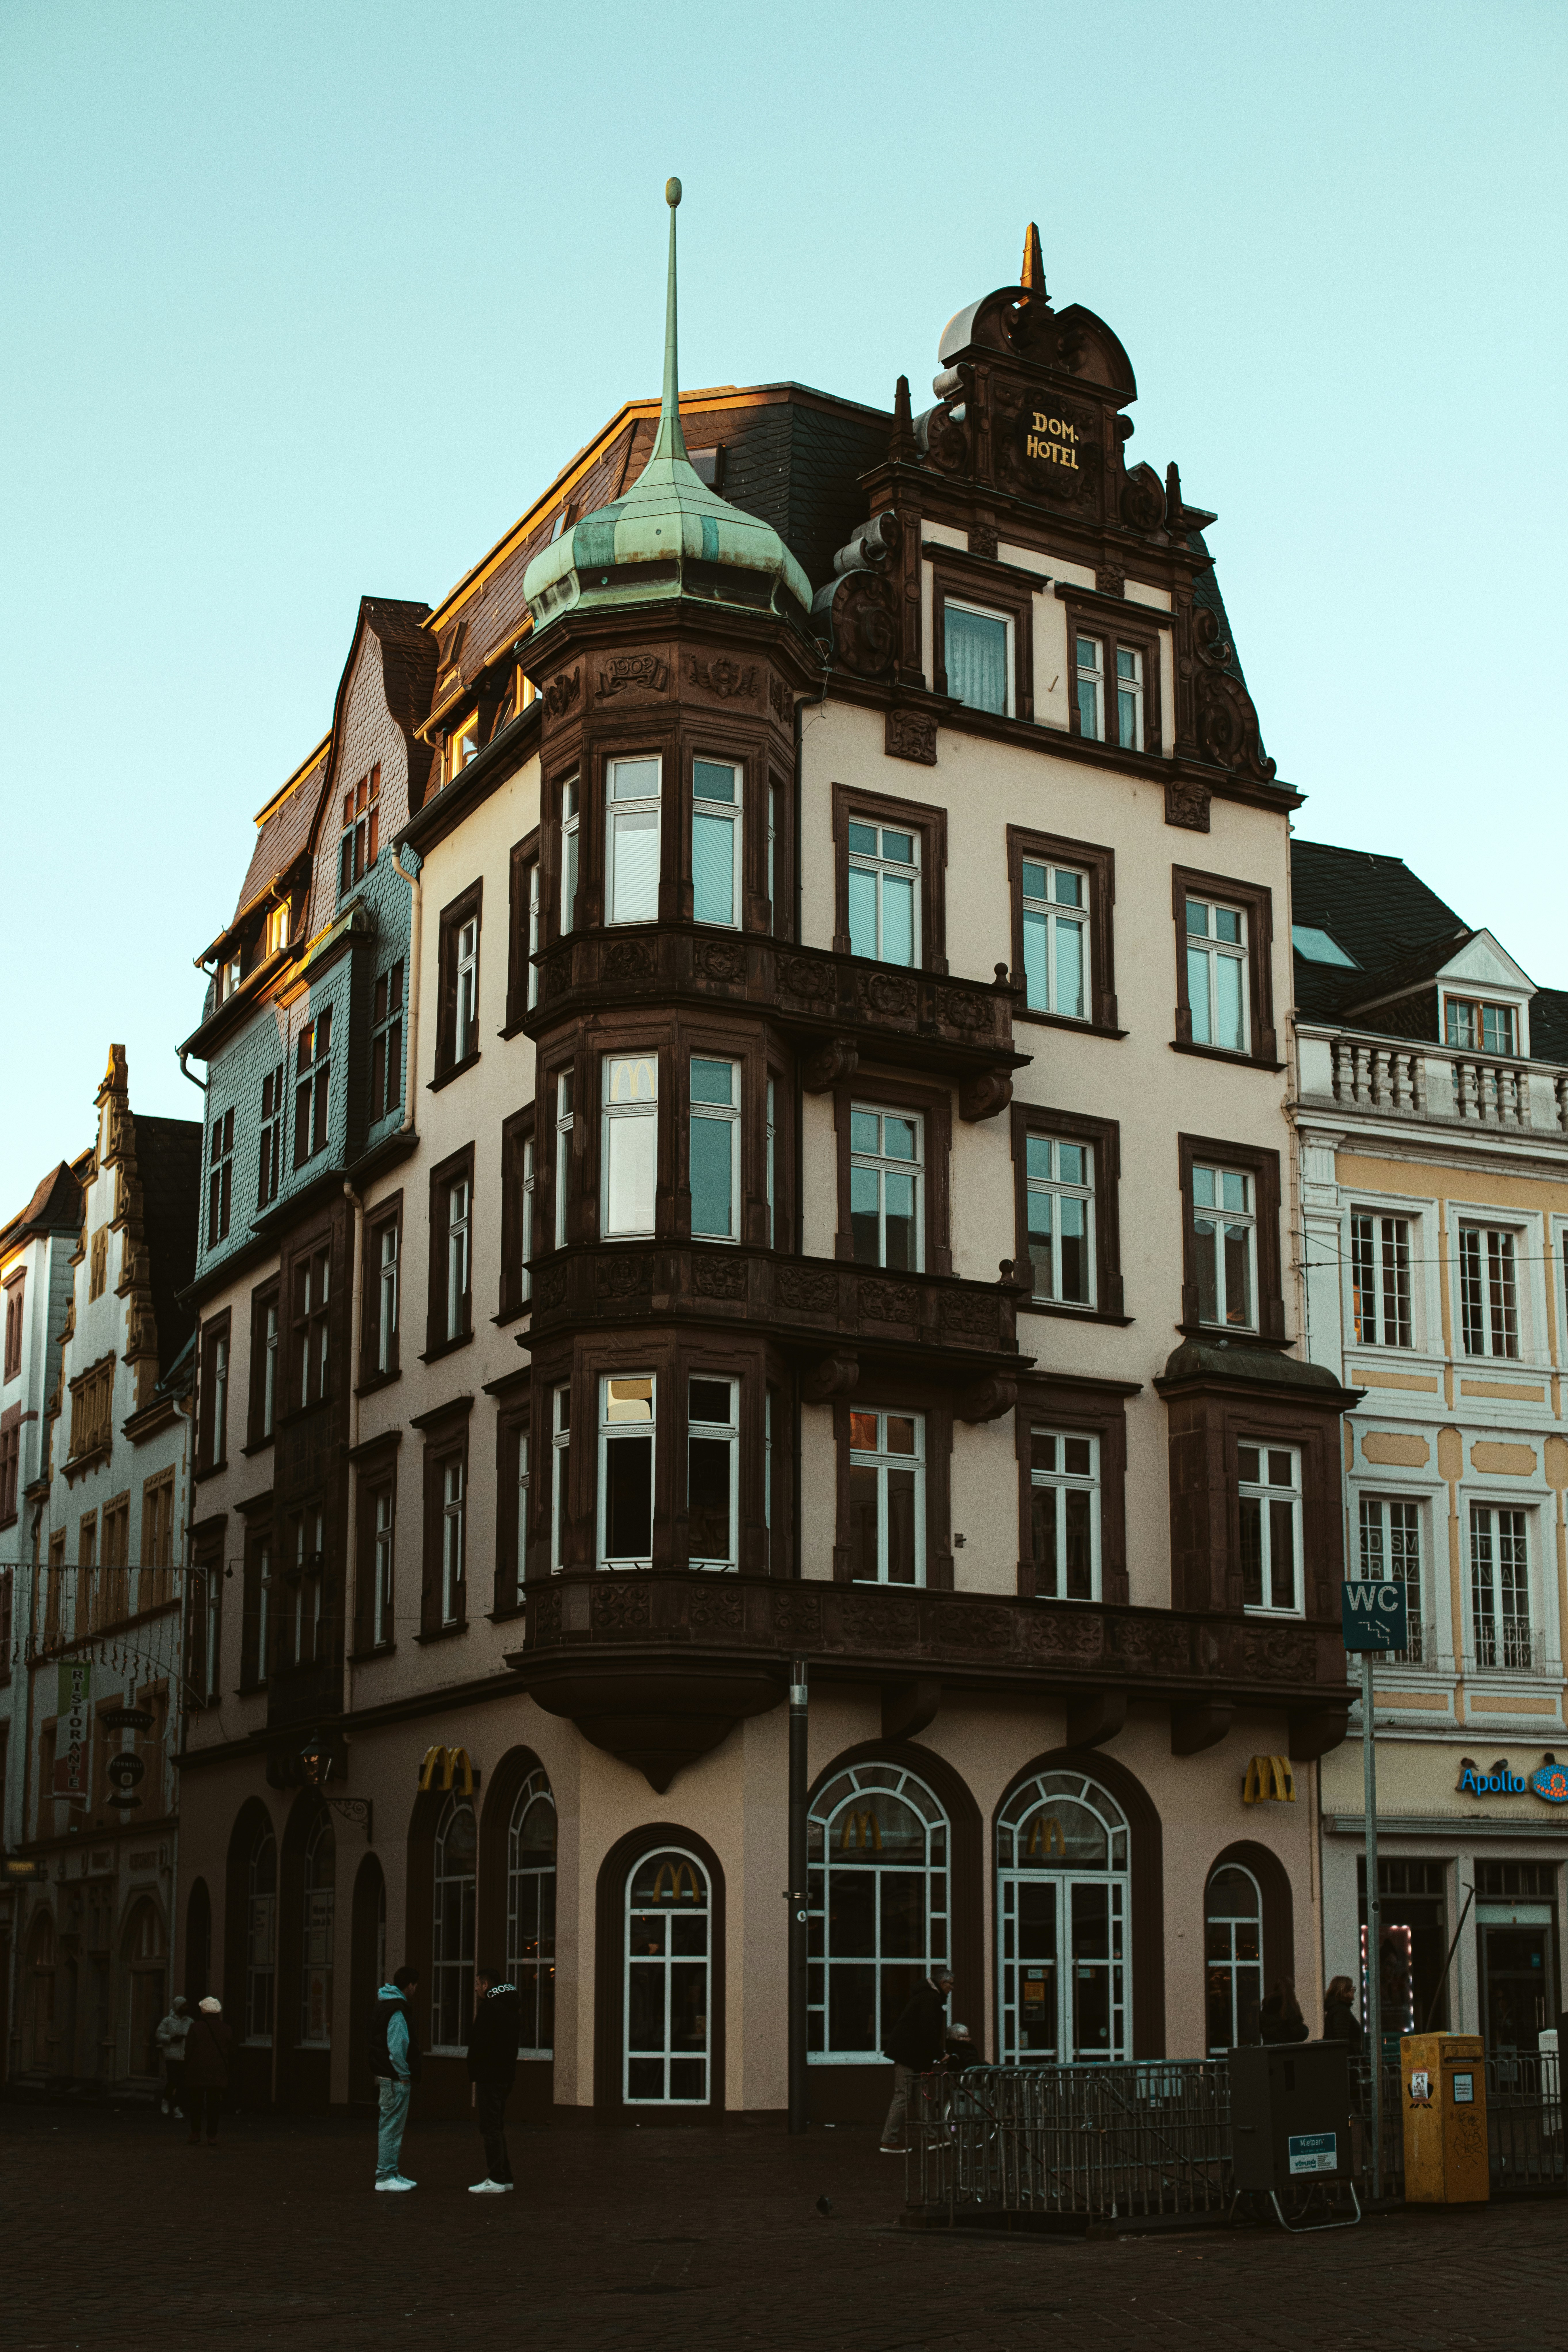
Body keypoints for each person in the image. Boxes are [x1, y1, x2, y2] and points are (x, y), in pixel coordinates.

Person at [879, 1967, 953, 2154]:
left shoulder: (926, 1997)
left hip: (914, 2055)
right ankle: (888, 2141)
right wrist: (940, 2054)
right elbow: (927, 2030)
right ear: (943, 1983)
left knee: (920, 2097)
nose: (952, 1989)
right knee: (903, 2096)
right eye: (951, 1984)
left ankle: (930, 2136)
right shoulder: (931, 1999)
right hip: (910, 2055)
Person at [465, 1965, 521, 2194]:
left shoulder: (489, 2008)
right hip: (506, 2075)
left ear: (486, 1985)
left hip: (490, 2076)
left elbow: (479, 2043)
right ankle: (505, 2176)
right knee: (497, 2126)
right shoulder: (511, 2007)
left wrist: (475, 2070)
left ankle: (497, 2177)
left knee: (490, 2127)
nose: (477, 1989)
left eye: (478, 1984)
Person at [370, 1966, 421, 2191]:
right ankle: (385, 2176)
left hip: (386, 2075)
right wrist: (404, 2075)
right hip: (394, 2078)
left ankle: (391, 2172)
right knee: (392, 2126)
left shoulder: (384, 2004)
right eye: (415, 1986)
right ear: (410, 1985)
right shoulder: (397, 2011)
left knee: (390, 2125)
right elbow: (398, 2047)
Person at [182, 1996, 234, 2146]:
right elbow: (230, 2052)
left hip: (197, 2070)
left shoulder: (196, 2027)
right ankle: (212, 2135)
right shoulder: (227, 2029)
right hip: (218, 2070)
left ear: (203, 2011)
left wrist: (187, 2067)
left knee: (196, 2103)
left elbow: (189, 2050)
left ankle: (196, 2133)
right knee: (214, 2104)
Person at [155, 1994, 192, 2118]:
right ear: (178, 2007)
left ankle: (177, 2107)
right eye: (184, 2005)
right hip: (172, 2055)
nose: (186, 2007)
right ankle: (166, 2100)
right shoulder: (168, 2021)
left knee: (182, 2083)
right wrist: (171, 2039)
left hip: (185, 2056)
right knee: (173, 2081)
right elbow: (159, 2034)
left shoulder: (190, 2022)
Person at [1259, 1980, 1310, 2045]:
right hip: (1285, 2043)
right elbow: (1295, 2028)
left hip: (1269, 2042)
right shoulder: (1287, 2005)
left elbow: (1261, 2026)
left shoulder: (1267, 2004)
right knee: (1305, 2030)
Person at [1324, 1973, 1365, 2051]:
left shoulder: (1335, 2009)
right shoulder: (1341, 2011)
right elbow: (1342, 2040)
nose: (1354, 1991)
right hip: (1347, 2059)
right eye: (1352, 1988)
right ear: (1344, 1991)